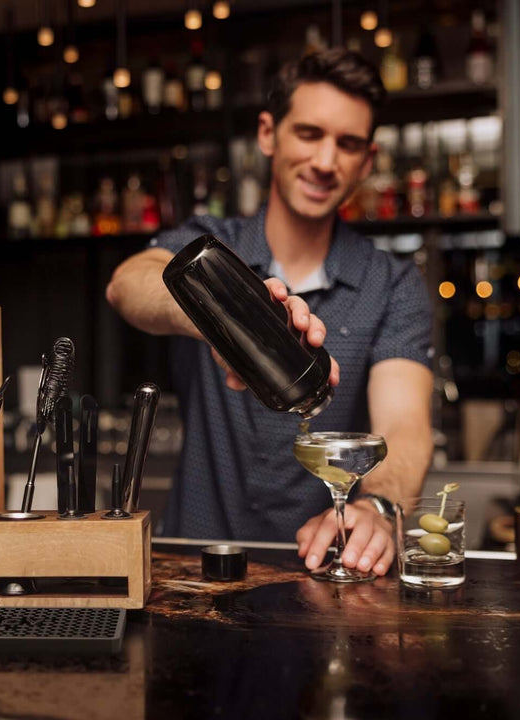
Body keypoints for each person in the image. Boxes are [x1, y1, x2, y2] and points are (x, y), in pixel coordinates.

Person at [105, 48, 434, 578]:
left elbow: (404, 426)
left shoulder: (391, 283)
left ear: (368, 161)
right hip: (188, 567)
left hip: (316, 576)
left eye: (347, 144)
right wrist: (227, 319)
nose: (326, 162)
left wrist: (379, 508)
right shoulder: (211, 246)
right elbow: (128, 285)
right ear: (267, 134)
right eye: (309, 133)